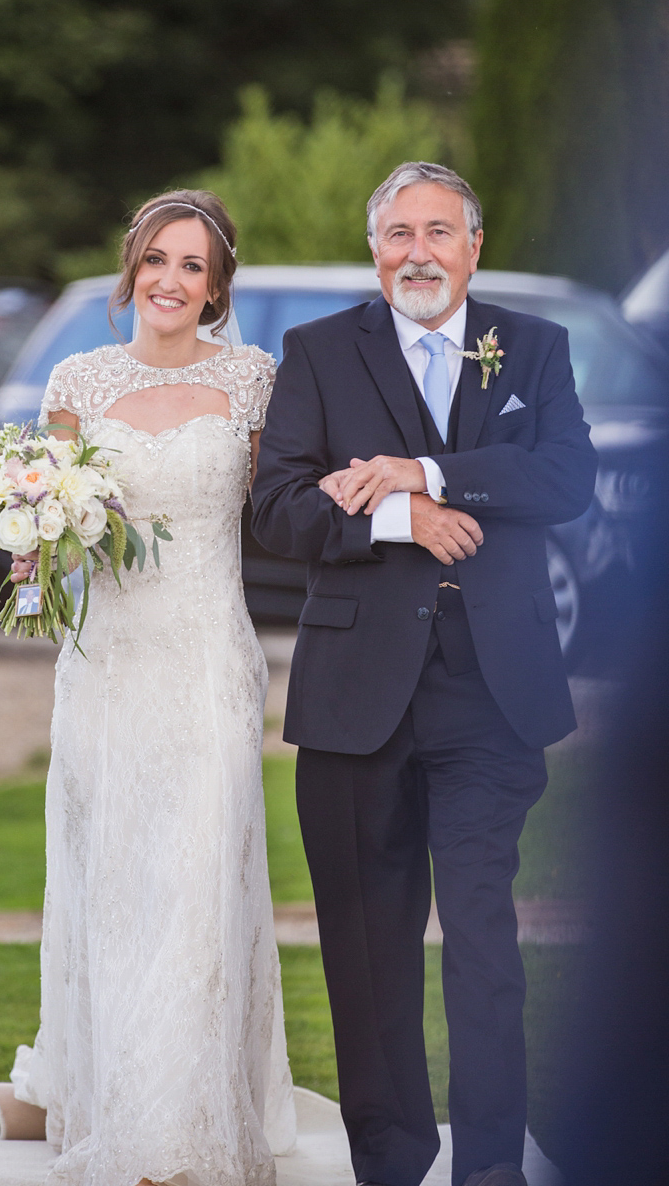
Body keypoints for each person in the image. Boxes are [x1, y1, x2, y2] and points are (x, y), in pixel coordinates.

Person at [250, 162, 597, 1186]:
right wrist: (402, 518)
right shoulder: (317, 354)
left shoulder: (534, 347)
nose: (418, 252)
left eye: (438, 232)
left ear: (473, 247)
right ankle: (392, 1167)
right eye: (398, 233)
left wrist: (426, 470)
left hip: (495, 691)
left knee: (486, 948)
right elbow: (277, 511)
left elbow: (566, 477)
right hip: (356, 694)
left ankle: (490, 1170)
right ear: (375, 250)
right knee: (369, 958)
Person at [7, 188, 296, 1186]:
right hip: (109, 664)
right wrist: (27, 548)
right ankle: (121, 1110)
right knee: (117, 887)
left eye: (193, 268)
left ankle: (186, 1130)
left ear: (214, 289)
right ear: (131, 269)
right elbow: (40, 521)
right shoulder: (77, 380)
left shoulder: (256, 380)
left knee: (200, 881)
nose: (171, 281)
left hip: (210, 657)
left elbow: (287, 512)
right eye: (157, 261)